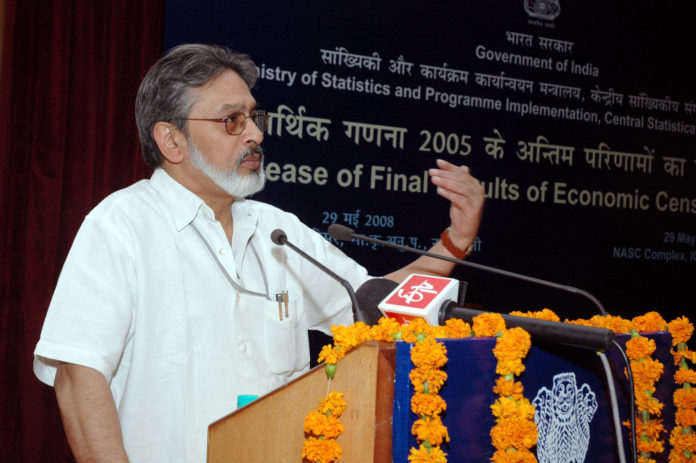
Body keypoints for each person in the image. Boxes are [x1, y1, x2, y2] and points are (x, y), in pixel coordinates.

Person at [33, 44, 484, 462]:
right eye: (232, 120)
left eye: (253, 116)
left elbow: (378, 303)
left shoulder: (276, 230)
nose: (255, 134)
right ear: (171, 141)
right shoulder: (121, 226)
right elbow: (78, 375)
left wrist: (455, 241)